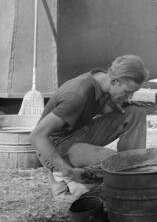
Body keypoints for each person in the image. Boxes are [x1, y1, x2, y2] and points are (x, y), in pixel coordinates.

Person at [29, 55, 149, 198]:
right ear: (115, 81)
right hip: (56, 146)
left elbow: (99, 107)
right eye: (127, 92)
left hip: (78, 132)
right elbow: (36, 136)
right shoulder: (76, 96)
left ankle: (131, 171)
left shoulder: (102, 79)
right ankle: (61, 174)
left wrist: (121, 103)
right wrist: (68, 171)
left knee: (135, 112)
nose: (129, 97)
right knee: (112, 160)